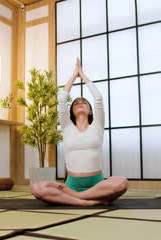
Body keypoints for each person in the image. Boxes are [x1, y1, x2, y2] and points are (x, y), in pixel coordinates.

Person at [30, 58, 129, 206]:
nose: (80, 103)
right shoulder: (67, 127)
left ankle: (76, 197)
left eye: (84, 102)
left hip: (97, 185)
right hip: (70, 185)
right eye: (76, 103)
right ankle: (85, 202)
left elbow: (98, 98)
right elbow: (62, 101)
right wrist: (73, 75)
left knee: (122, 182)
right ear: (71, 111)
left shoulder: (97, 125)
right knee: (36, 188)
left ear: (90, 111)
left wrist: (82, 75)